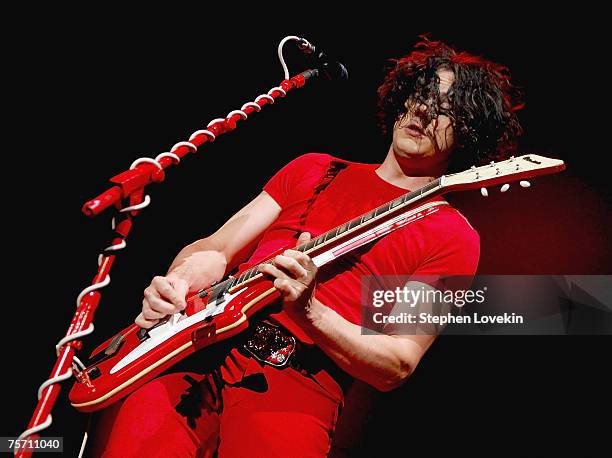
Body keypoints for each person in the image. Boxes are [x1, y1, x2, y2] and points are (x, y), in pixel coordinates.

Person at [90, 36, 523, 457]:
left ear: (469, 133)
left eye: (447, 109)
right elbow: (217, 248)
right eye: (423, 93)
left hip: (295, 383)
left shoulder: (451, 233)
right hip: (192, 348)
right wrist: (178, 281)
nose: (425, 108)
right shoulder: (316, 169)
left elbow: (397, 360)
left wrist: (309, 309)